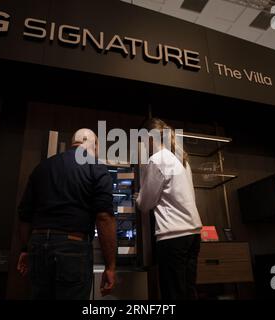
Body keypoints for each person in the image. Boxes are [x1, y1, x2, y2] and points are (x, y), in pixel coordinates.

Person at [17, 128, 116, 300]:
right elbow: (104, 218)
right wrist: (110, 267)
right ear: (96, 145)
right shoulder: (97, 168)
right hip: (73, 248)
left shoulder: (42, 167)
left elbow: (25, 215)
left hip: (38, 246)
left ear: (73, 142)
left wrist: (25, 249)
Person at [136, 118, 203, 300]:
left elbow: (145, 204)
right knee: (189, 292)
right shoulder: (182, 159)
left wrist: (138, 197)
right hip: (193, 235)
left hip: (173, 237)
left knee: (172, 294)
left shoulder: (157, 159)